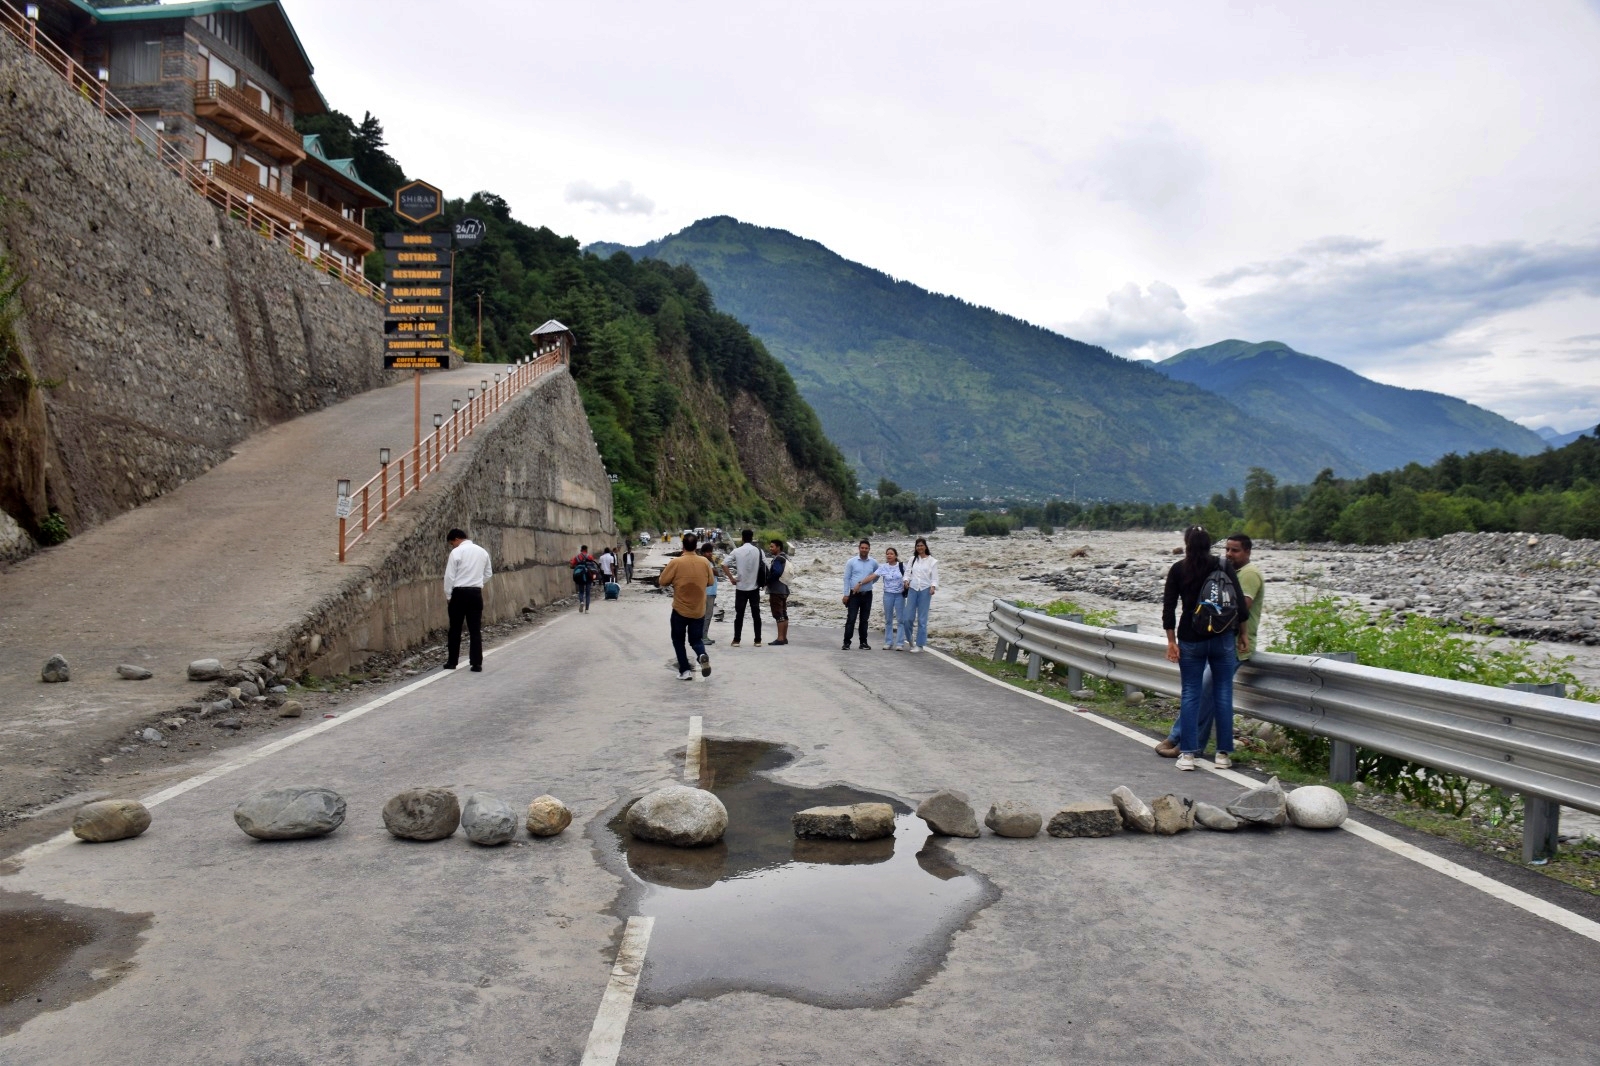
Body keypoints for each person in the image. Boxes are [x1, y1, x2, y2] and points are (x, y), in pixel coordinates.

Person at [1157, 532, 1263, 758]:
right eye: (1227, 549)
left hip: (1221, 641)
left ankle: (1186, 746)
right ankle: (1197, 746)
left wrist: (1171, 640)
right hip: (1223, 640)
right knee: (1210, 694)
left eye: (1235, 550)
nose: (1229, 554)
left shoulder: (1248, 574)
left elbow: (1240, 609)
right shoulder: (1224, 568)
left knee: (1198, 692)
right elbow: (1239, 611)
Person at [658, 532, 714, 680]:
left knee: (678, 640)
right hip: (698, 610)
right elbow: (711, 582)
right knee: (696, 640)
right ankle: (702, 655)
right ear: (697, 546)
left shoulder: (676, 563)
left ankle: (685, 671)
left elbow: (662, 581)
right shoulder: (704, 562)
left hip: (680, 609)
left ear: (683, 546)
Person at [442, 528, 492, 672]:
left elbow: (449, 576)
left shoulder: (456, 552)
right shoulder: (482, 552)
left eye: (452, 543)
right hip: (476, 594)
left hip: (459, 593)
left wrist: (448, 595)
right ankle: (476, 663)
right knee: (475, 629)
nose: (453, 546)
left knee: (455, 629)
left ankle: (452, 662)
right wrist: (477, 583)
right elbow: (488, 573)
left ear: (457, 539)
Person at [728, 528, 764, 647]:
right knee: (756, 614)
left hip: (741, 588)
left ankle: (736, 640)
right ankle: (757, 640)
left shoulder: (737, 551)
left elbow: (723, 564)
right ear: (752, 537)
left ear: (742, 538)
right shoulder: (759, 551)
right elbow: (765, 567)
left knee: (739, 615)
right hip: (754, 588)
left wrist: (732, 578)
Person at [902, 536, 939, 652]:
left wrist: (933, 587)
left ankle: (920, 645)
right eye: (918, 546)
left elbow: (935, 577)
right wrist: (906, 581)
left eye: (922, 545)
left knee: (922, 619)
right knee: (907, 618)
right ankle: (910, 639)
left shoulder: (932, 561)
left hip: (925, 590)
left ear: (925, 547)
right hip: (913, 589)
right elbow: (907, 573)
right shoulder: (912, 559)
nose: (920, 548)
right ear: (916, 547)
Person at [842, 539, 879, 650]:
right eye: (862, 548)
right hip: (854, 594)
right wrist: (846, 594)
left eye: (866, 548)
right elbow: (846, 578)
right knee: (851, 618)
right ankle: (846, 642)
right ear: (859, 548)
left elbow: (876, 576)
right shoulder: (851, 562)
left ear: (869, 549)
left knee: (864, 620)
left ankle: (863, 642)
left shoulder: (873, 562)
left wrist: (869, 584)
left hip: (867, 594)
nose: (864, 550)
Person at [698, 542, 731, 645]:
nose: (710, 554)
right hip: (708, 591)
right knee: (707, 615)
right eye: (708, 552)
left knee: (704, 615)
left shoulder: (707, 561)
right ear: (703, 553)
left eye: (711, 552)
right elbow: (716, 572)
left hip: (708, 591)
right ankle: (703, 637)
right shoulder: (706, 562)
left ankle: (703, 635)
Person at [876, 547, 907, 649]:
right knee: (888, 619)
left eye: (891, 554)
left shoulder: (902, 566)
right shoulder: (883, 567)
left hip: (900, 595)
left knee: (900, 620)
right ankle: (888, 642)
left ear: (895, 556)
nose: (889, 555)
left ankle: (900, 643)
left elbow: (910, 577)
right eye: (887, 554)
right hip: (888, 595)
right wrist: (861, 583)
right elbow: (873, 576)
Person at [766, 538, 790, 645]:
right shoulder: (786, 558)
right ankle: (784, 637)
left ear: (778, 547)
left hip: (776, 590)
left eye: (772, 546)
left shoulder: (778, 559)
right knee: (784, 613)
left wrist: (767, 580)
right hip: (784, 589)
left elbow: (777, 572)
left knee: (778, 614)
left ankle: (780, 638)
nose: (770, 548)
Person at [570, 544, 598, 613]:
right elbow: (593, 564)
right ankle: (587, 609)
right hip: (588, 575)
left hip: (580, 575)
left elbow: (572, 565)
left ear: (581, 550)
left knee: (581, 591)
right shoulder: (589, 556)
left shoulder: (577, 557)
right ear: (586, 550)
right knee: (588, 593)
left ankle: (582, 602)